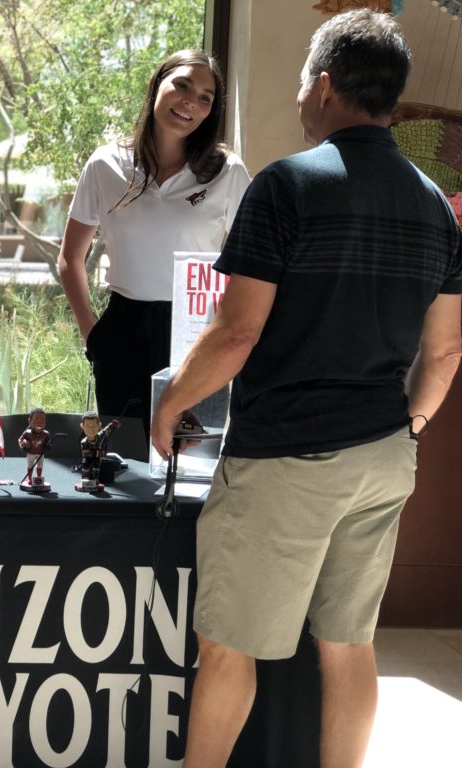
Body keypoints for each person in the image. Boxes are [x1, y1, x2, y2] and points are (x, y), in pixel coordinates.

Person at [149, 11, 461, 766]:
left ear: (323, 87)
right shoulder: (433, 205)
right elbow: (445, 350)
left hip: (287, 456)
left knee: (229, 650)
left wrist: (171, 403)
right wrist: (409, 424)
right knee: (349, 645)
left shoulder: (288, 184)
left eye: (300, 81)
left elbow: (236, 332)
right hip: (383, 456)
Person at [57, 50, 251, 439]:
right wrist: (93, 335)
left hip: (197, 333)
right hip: (123, 331)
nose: (189, 102)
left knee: (190, 459)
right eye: (181, 85)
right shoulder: (105, 165)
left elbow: (250, 263)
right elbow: (70, 259)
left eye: (204, 98)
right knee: (123, 462)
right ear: (156, 84)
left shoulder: (227, 172)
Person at [18, 408, 51, 490]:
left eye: (42, 419)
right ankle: (29, 479)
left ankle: (39, 478)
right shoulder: (27, 433)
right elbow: (20, 440)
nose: (39, 422)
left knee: (40, 465)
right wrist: (23, 443)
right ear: (30, 420)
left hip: (40, 453)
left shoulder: (46, 434)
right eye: (36, 419)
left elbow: (48, 442)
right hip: (31, 453)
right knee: (30, 465)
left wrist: (48, 445)